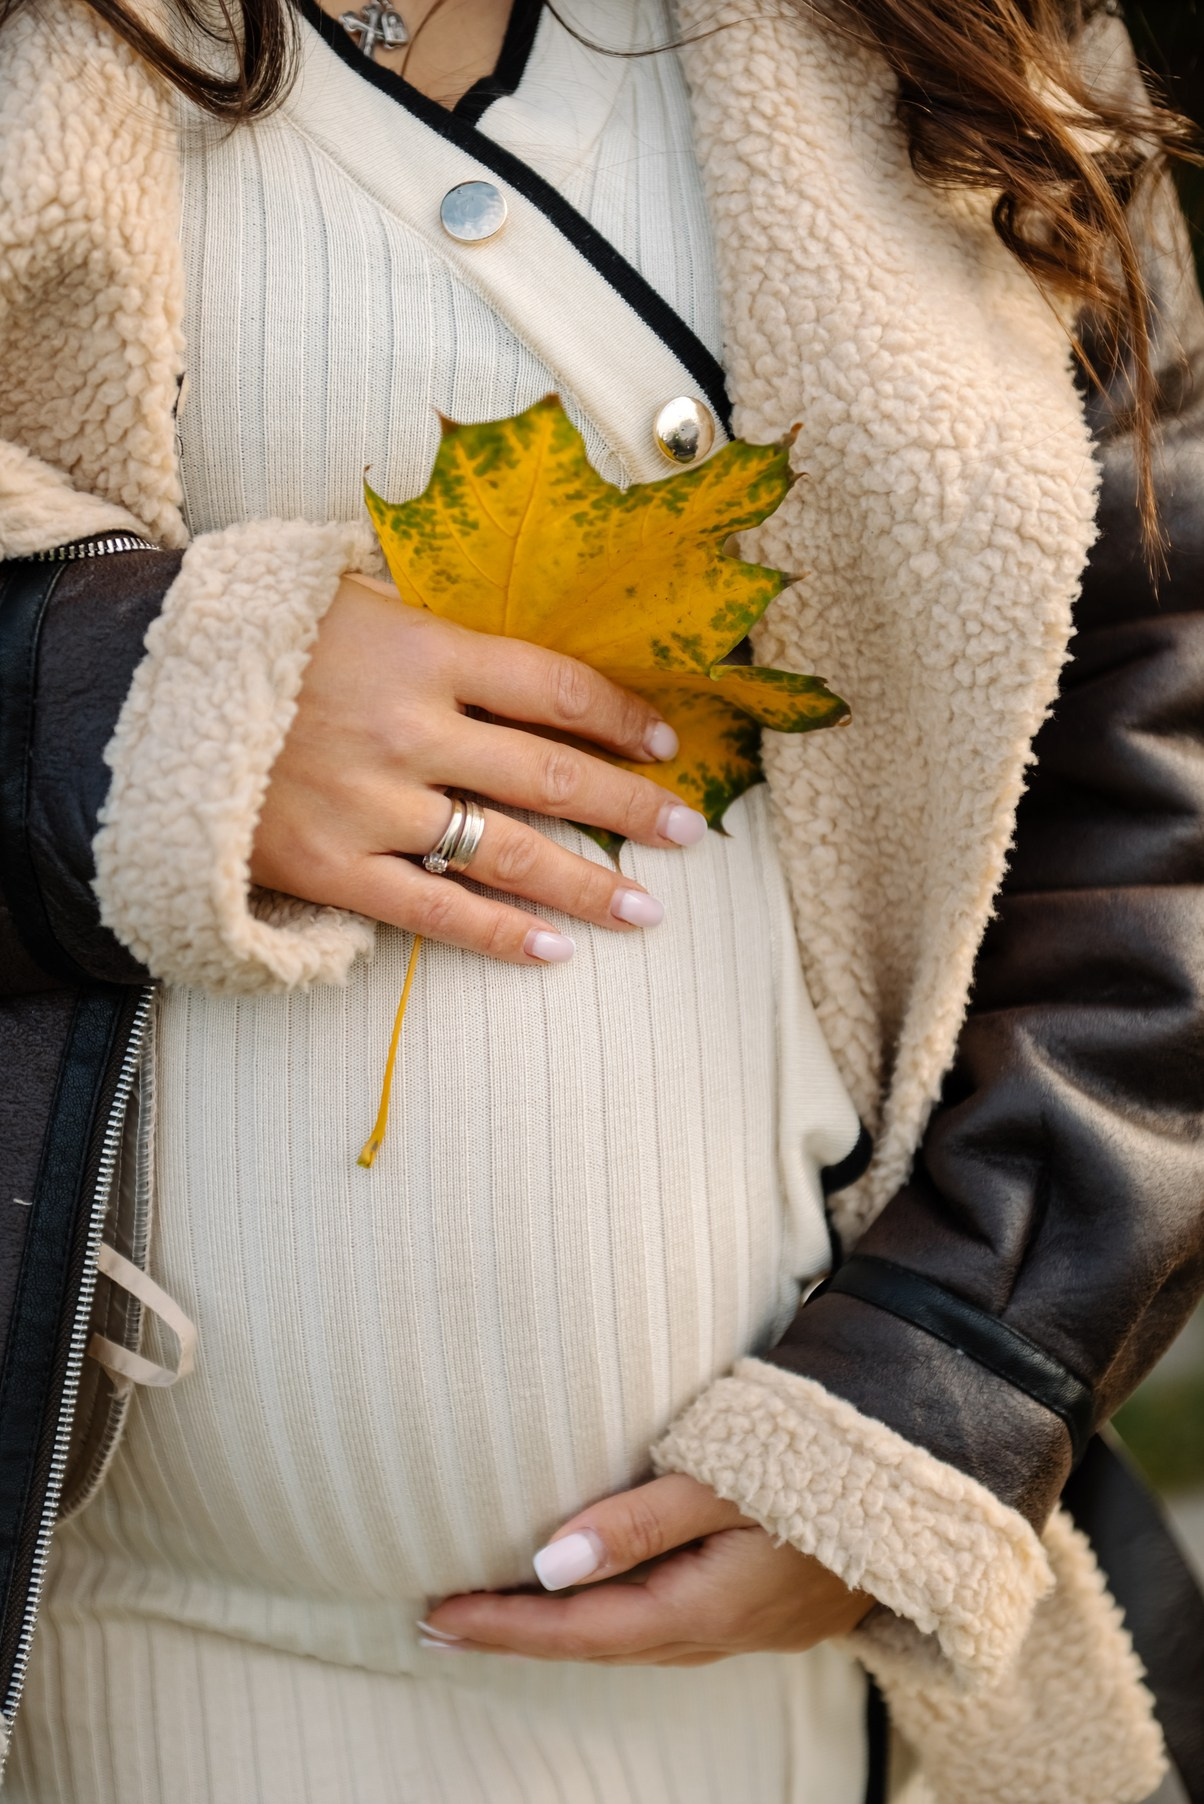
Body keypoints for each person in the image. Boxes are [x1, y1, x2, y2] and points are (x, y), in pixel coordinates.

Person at [0, 0, 1201, 1797]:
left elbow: (1163, 745)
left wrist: (948, 1387)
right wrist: (114, 702)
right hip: (110, 1686)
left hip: (765, 1704)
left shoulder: (986, 40)